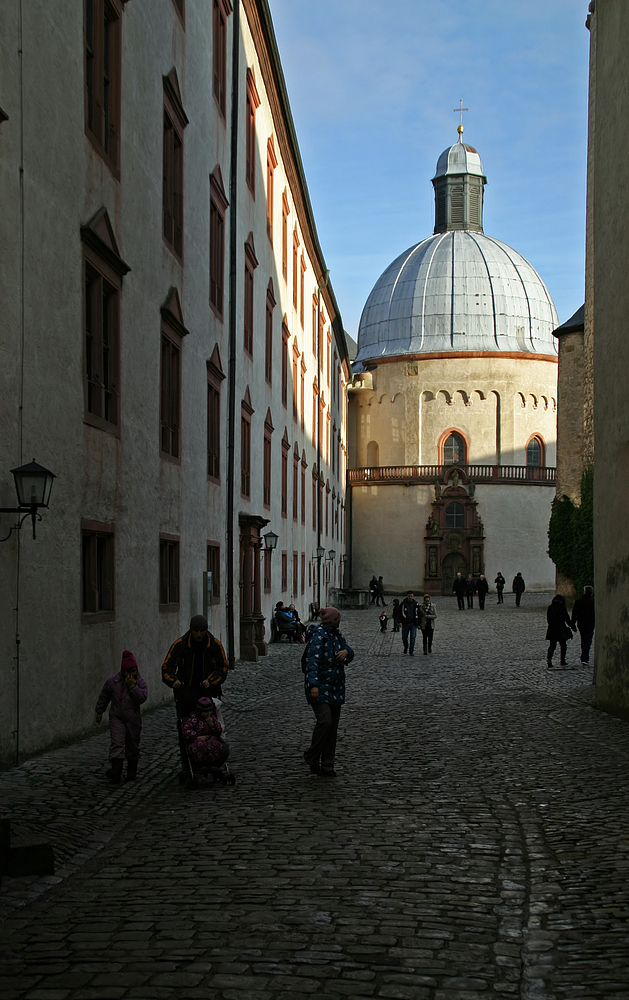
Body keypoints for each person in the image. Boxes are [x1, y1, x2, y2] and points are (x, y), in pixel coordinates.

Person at [303, 606, 354, 777]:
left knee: (332, 728)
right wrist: (314, 685)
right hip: (320, 687)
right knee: (325, 722)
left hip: (336, 687)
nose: (339, 620)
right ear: (333, 620)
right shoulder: (319, 637)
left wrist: (347, 652)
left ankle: (327, 765)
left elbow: (350, 652)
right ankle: (312, 755)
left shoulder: (337, 635)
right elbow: (312, 663)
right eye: (338, 618)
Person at [95, 650, 148, 784]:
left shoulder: (139, 682)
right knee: (117, 744)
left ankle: (131, 772)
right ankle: (116, 772)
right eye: (128, 671)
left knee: (132, 745)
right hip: (117, 718)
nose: (131, 675)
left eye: (133, 671)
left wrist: (132, 687)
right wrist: (99, 711)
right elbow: (104, 696)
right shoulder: (113, 681)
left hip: (133, 719)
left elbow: (142, 698)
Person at [162, 614, 229, 720]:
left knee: (209, 726)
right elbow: (167, 667)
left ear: (206, 630)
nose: (199, 634)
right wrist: (173, 681)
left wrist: (210, 681)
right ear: (191, 630)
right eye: (196, 631)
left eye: (202, 631)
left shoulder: (214, 645)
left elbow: (222, 669)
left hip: (208, 692)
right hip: (185, 692)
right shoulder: (180, 645)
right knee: (185, 725)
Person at [182, 696, 229, 770]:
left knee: (213, 743)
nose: (208, 713)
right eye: (205, 712)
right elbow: (187, 731)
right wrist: (196, 736)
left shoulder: (212, 719)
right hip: (197, 740)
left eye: (210, 711)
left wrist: (211, 725)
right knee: (200, 745)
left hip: (211, 738)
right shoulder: (194, 720)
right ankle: (201, 764)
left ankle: (214, 763)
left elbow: (219, 730)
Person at [546, 594, 574, 667]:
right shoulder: (562, 607)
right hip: (561, 629)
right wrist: (573, 626)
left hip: (552, 629)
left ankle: (549, 660)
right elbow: (567, 619)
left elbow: (548, 619)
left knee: (552, 645)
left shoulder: (550, 607)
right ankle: (562, 660)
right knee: (563, 645)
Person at [571, 585, 595, 665]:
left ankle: (584, 656)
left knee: (584, 639)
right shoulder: (593, 601)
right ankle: (585, 656)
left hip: (581, 623)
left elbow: (574, 613)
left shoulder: (579, 601)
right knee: (588, 640)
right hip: (590, 623)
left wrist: (573, 625)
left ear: (584, 592)